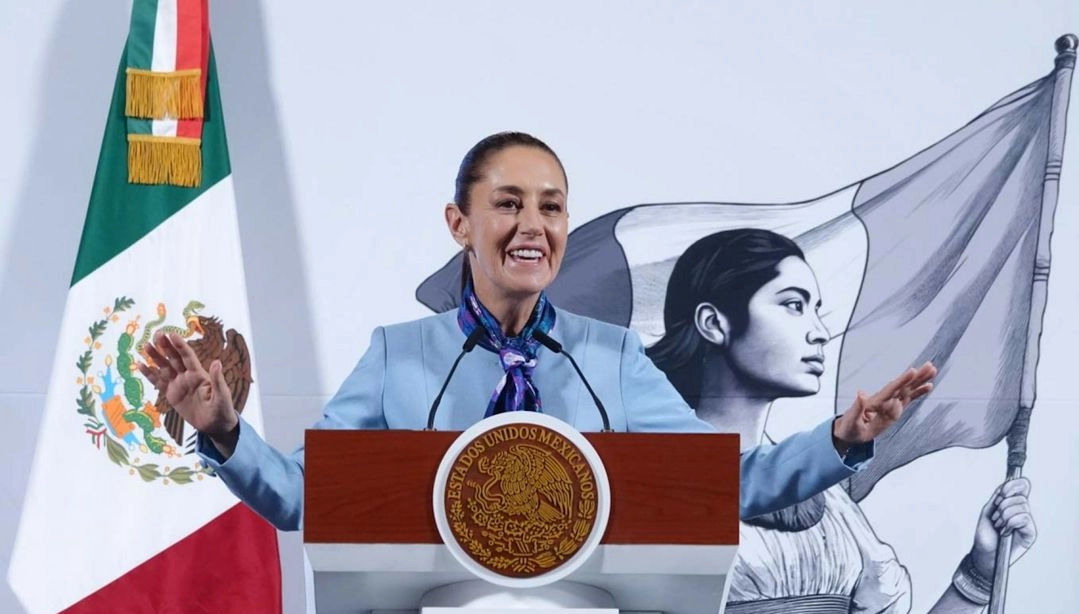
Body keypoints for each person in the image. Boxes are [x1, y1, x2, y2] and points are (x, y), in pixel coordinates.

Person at [138, 132, 934, 532]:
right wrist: (225, 434)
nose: (533, 226)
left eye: (550, 206)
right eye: (509, 203)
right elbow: (306, 497)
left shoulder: (612, 359)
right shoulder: (398, 357)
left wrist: (840, 438)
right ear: (460, 224)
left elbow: (721, 485)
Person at [651, 228, 1036, 614]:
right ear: (713, 322)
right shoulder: (654, 487)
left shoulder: (829, 502)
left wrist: (981, 570)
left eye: (817, 309)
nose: (818, 330)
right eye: (793, 305)